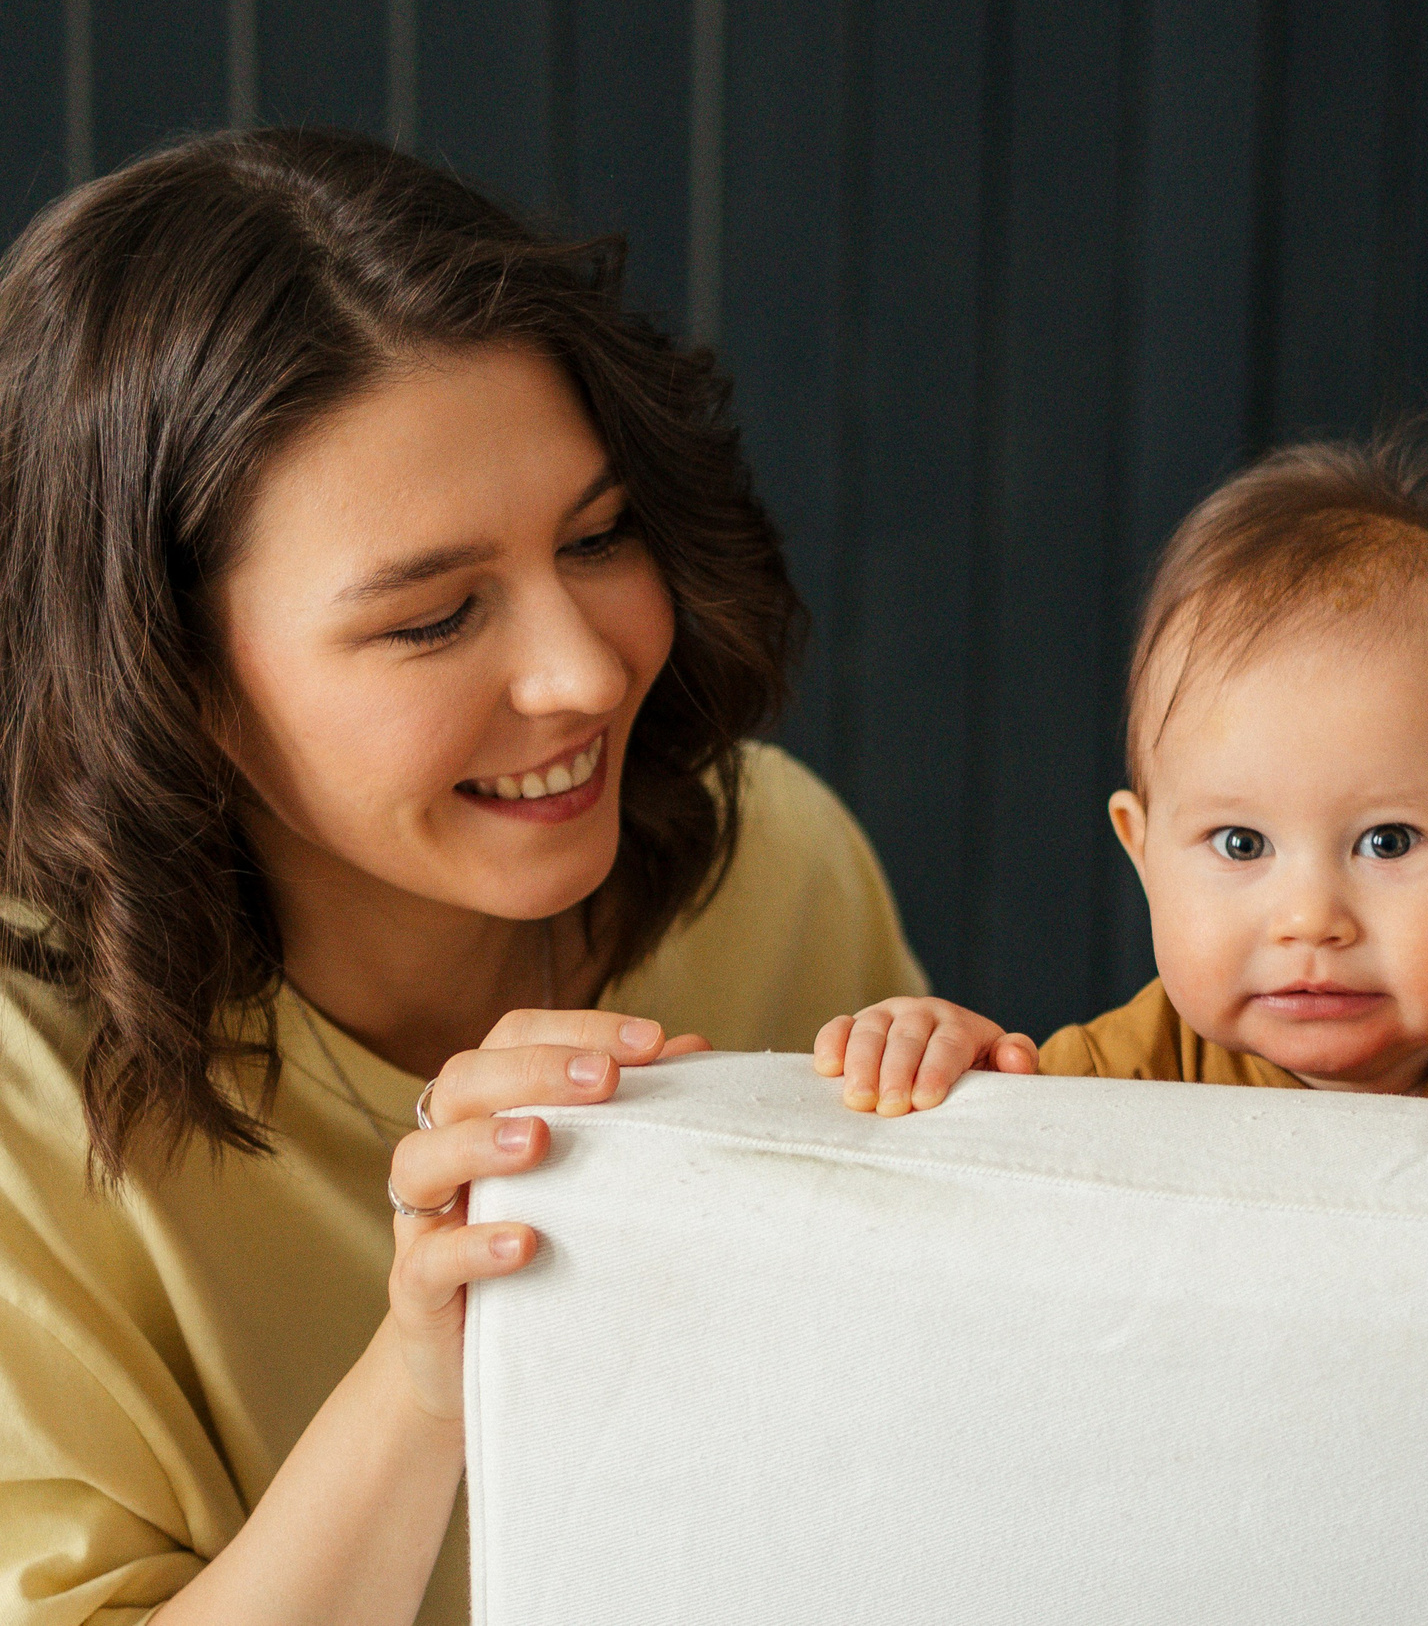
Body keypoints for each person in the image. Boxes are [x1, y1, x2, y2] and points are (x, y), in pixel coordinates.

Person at [0, 130, 926, 1624]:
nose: (584, 668)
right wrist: (426, 1378)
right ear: (170, 682)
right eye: (433, 618)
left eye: (601, 535)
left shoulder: (784, 870)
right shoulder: (20, 1080)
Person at [820, 430, 1428, 1127]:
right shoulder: (1131, 1069)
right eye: (1240, 844)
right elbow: (994, 1172)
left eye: (1386, 842)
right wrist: (949, 1061)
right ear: (1143, 853)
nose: (1310, 918)